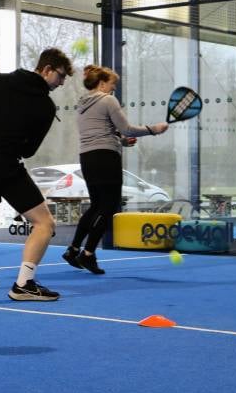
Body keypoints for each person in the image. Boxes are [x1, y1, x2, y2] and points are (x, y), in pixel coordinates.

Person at [0, 48, 73, 301]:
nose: (62, 82)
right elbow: (29, 150)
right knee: (44, 224)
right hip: (5, 165)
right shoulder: (45, 105)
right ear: (46, 69)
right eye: (61, 76)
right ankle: (24, 284)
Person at [63, 65, 168, 274]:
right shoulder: (107, 100)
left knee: (96, 206)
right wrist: (153, 129)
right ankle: (88, 254)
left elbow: (102, 132)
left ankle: (73, 249)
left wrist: (121, 141)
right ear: (102, 83)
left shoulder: (83, 103)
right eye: (112, 84)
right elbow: (127, 128)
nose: (113, 89)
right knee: (109, 207)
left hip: (88, 158)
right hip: (105, 158)